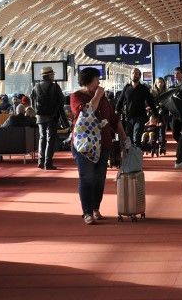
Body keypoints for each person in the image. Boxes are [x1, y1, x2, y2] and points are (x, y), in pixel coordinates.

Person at [70, 67, 128, 225]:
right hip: (84, 145)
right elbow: (87, 112)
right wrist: (98, 95)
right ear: (88, 81)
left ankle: (95, 208)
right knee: (87, 176)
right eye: (97, 79)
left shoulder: (103, 98)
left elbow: (114, 119)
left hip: (104, 143)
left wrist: (124, 139)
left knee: (99, 178)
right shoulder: (76, 97)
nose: (99, 83)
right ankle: (87, 212)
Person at [32, 65, 67, 170]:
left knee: (42, 138)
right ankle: (48, 162)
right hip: (52, 116)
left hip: (40, 117)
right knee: (50, 139)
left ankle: (40, 161)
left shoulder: (36, 87)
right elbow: (61, 102)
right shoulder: (55, 87)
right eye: (52, 74)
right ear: (50, 75)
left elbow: (33, 102)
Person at [115, 67, 156, 146]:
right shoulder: (126, 88)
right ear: (130, 75)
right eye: (133, 73)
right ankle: (131, 156)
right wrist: (117, 111)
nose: (134, 75)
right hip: (128, 117)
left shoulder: (144, 89)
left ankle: (137, 156)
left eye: (136, 73)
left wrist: (156, 114)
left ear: (139, 76)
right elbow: (120, 100)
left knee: (136, 138)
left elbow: (150, 102)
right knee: (129, 139)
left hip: (140, 117)